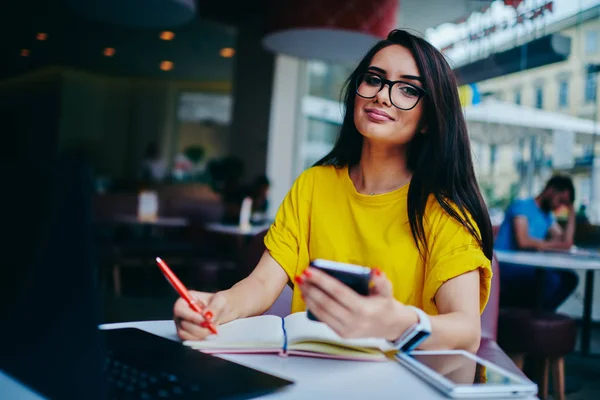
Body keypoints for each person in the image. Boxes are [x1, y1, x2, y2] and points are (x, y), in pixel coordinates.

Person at [173, 29, 493, 353]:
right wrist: (215, 306)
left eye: (408, 89)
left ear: (428, 119)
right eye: (374, 79)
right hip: (307, 373)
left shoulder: (442, 210)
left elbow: (467, 330)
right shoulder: (314, 185)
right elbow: (261, 283)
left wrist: (398, 322)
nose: (382, 95)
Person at [494, 175, 579, 311]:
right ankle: (532, 315)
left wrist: (572, 210)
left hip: (528, 269)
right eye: (561, 201)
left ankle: (538, 316)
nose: (560, 207)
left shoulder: (547, 216)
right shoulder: (522, 206)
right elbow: (523, 242)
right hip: (506, 268)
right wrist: (553, 245)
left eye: (565, 204)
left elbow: (566, 241)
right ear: (550, 190)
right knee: (551, 280)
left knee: (569, 278)